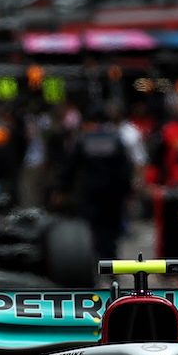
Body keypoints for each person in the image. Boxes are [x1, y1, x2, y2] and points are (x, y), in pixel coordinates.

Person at [60, 104, 133, 260]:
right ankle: (111, 261)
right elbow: (125, 168)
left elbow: (70, 168)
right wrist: (127, 192)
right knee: (111, 231)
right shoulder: (115, 139)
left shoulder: (83, 140)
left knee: (93, 229)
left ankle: (98, 260)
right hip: (113, 195)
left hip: (91, 193)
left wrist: (61, 189)